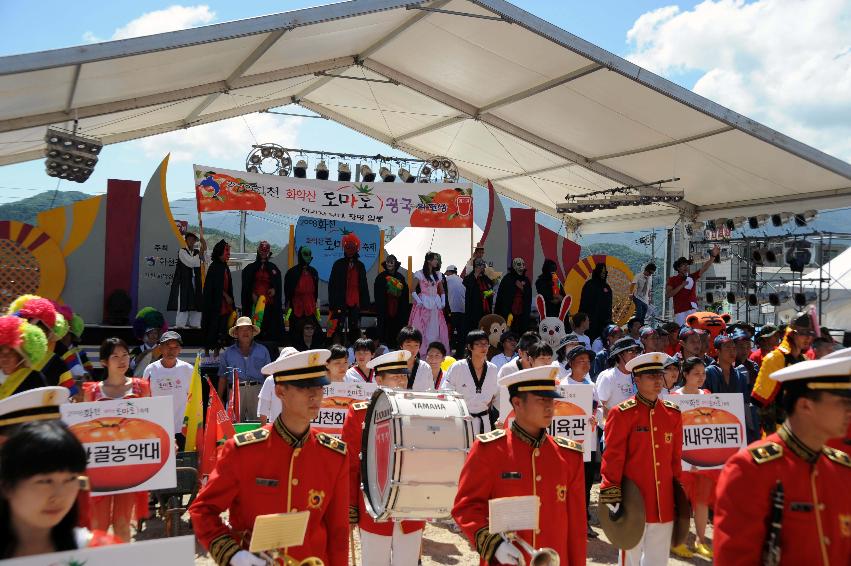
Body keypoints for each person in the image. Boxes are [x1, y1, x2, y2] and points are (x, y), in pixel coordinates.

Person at [189, 349, 349, 566]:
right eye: (304, 387)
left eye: (319, 386)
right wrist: (233, 555)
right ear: (280, 391)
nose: (315, 395)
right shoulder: (243, 451)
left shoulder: (334, 455)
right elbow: (203, 510)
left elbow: (338, 532)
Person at [713, 353, 851, 565]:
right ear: (806, 405)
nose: (849, 411)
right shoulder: (750, 469)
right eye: (842, 403)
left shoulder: (841, 468)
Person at [452, 365, 586, 565]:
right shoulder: (488, 450)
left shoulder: (569, 455)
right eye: (541, 400)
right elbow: (466, 507)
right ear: (517, 402)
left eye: (551, 399)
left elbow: (576, 528)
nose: (550, 406)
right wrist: (493, 544)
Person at [599, 352, 684, 566]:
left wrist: (679, 493)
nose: (658, 381)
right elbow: (613, 457)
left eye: (659, 375)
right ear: (636, 380)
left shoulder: (672, 413)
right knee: (630, 557)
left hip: (663, 499)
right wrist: (611, 493)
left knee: (658, 559)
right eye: (650, 376)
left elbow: (675, 459)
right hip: (632, 501)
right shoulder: (622, 413)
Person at [343, 351, 426, 565]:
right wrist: (351, 506)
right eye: (394, 376)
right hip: (373, 507)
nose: (401, 380)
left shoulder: (418, 409)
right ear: (378, 380)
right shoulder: (359, 413)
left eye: (404, 375)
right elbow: (351, 464)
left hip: (410, 507)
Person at [0, 420, 120, 558]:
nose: (59, 496)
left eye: (70, 480)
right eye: (44, 481)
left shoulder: (101, 551)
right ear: (7, 487)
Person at [83, 338, 151, 542]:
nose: (122, 361)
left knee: (122, 524)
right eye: (115, 356)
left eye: (125, 355)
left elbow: (151, 422)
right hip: (100, 467)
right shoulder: (92, 391)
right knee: (98, 525)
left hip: (128, 465)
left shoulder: (141, 388)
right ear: (104, 362)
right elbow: (84, 428)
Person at [669, 357, 716, 559]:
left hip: (703, 460)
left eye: (703, 373)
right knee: (680, 502)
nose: (701, 377)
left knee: (702, 501)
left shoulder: (708, 395)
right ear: (685, 375)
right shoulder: (673, 398)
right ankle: (677, 541)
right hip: (682, 460)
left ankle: (701, 541)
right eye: (696, 373)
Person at [752, 312, 816, 432]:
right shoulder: (774, 359)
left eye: (810, 333)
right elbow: (758, 401)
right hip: (778, 432)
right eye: (803, 333)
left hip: (801, 430)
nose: (808, 338)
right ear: (791, 334)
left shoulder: (805, 361)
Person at [563, 346, 602, 539]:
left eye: (588, 361)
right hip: (564, 445)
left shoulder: (592, 385)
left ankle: (582, 521)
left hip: (586, 444)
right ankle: (563, 521)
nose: (586, 365)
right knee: (564, 483)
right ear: (571, 364)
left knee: (585, 484)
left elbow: (599, 409)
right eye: (581, 361)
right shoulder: (560, 386)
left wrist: (596, 418)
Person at [8, 296, 77, 396]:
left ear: (49, 335)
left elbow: (69, 396)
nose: (37, 336)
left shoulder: (56, 362)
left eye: (43, 331)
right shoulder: (7, 358)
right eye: (32, 329)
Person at [441, 330, 499, 434]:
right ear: (470, 347)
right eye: (478, 344)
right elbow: (446, 391)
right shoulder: (458, 367)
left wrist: (502, 418)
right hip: (461, 419)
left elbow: (497, 396)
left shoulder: (493, 369)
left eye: (486, 344)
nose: (483, 347)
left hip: (484, 420)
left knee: (482, 449)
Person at [142, 331, 193, 450]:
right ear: (160, 348)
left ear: (180, 349)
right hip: (158, 428)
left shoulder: (188, 369)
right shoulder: (150, 369)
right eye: (167, 346)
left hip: (182, 429)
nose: (171, 351)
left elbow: (194, 399)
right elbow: (145, 398)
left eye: (175, 347)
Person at [217, 317, 271, 421]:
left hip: (257, 391)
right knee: (234, 425)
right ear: (236, 333)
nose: (245, 332)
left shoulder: (263, 350)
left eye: (248, 329)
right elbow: (222, 377)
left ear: (252, 332)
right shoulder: (228, 353)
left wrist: (270, 395)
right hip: (235, 391)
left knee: (259, 424)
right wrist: (219, 399)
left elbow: (268, 375)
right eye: (242, 329)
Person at [328, 231, 369, 343]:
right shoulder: (338, 264)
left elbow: (364, 285)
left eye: (352, 247)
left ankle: (354, 350)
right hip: (340, 300)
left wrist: (365, 303)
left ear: (356, 248)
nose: (350, 250)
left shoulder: (360, 265)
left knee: (354, 326)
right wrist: (332, 303)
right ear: (344, 248)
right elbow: (332, 285)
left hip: (355, 300)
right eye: (348, 247)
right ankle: (336, 350)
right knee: (337, 326)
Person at [241, 241, 284, 343]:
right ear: (258, 251)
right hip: (254, 305)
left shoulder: (274, 268)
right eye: (262, 250)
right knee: (255, 329)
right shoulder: (249, 268)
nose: (264, 253)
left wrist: (274, 290)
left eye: (266, 251)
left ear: (269, 252)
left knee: (269, 331)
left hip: (269, 304)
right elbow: (246, 286)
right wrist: (252, 293)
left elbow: (277, 285)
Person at [665, 246, 719, 326]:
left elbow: (704, 268)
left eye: (687, 265)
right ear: (678, 268)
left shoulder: (692, 277)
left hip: (692, 308)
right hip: (680, 310)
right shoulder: (672, 279)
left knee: (692, 330)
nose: (686, 267)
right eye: (683, 265)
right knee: (682, 331)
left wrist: (713, 257)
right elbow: (668, 295)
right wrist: (681, 285)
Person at [408, 252, 449, 356]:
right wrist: (419, 300)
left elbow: (442, 290)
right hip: (424, 304)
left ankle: (434, 350)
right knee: (422, 327)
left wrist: (443, 301)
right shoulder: (420, 273)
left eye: (437, 259)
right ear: (428, 261)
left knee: (435, 327)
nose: (436, 261)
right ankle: (422, 351)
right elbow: (412, 289)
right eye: (435, 259)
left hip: (435, 304)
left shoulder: (438, 275)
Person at [0, 315, 48, 398]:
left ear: (21, 357)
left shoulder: (33, 378)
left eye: (11, 352)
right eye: (0, 352)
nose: (4, 358)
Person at [201, 240, 235, 353]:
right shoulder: (214, 267)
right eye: (226, 251)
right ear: (220, 252)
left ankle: (216, 352)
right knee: (212, 328)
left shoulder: (225, 267)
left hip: (224, 306)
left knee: (222, 329)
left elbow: (227, 286)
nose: (228, 254)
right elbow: (214, 287)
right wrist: (226, 296)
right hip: (214, 305)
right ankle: (206, 353)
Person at [595, 337, 641, 419]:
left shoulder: (639, 375)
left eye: (636, 351)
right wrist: (618, 421)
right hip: (614, 428)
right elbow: (599, 406)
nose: (634, 354)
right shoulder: (608, 377)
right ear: (620, 354)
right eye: (630, 351)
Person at [167, 231, 205, 329]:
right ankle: (180, 325)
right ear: (186, 240)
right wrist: (201, 253)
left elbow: (205, 259)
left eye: (193, 239)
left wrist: (204, 246)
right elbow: (191, 262)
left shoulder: (197, 252)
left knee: (196, 301)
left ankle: (195, 324)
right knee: (183, 301)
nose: (191, 241)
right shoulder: (182, 251)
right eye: (189, 239)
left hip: (196, 281)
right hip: (184, 282)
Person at [373, 255, 410, 349]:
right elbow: (377, 293)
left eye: (391, 262)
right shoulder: (380, 277)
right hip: (385, 307)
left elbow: (405, 293)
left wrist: (397, 292)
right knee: (384, 326)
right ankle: (384, 346)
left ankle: (397, 345)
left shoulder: (400, 277)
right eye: (387, 262)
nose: (389, 264)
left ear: (395, 264)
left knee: (397, 326)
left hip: (398, 307)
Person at [283, 245, 320, 337]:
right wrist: (287, 308)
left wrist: (316, 308)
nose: (308, 256)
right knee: (296, 334)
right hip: (296, 309)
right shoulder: (292, 272)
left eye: (310, 254)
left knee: (314, 334)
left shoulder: (314, 272)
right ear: (300, 255)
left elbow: (315, 292)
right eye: (306, 254)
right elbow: (287, 293)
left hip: (310, 309)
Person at [257, 347, 297, 426]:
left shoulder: (302, 380)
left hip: (297, 427)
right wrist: (264, 429)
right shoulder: (270, 380)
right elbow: (263, 408)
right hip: (276, 426)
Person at [495, 257, 532, 334]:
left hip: (522, 314)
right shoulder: (507, 279)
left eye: (523, 264)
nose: (521, 266)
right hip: (508, 313)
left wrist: (522, 288)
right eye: (519, 264)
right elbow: (501, 297)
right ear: (514, 266)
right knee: (508, 334)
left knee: (521, 333)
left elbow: (528, 297)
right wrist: (497, 314)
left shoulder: (526, 280)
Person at [579, 263, 614, 343]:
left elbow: (609, 305)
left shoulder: (607, 287)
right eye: (601, 272)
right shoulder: (589, 285)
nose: (603, 274)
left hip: (604, 321)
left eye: (604, 273)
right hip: (591, 321)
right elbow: (584, 304)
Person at [130, 307, 167, 376]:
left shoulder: (163, 350)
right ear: (144, 335)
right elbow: (131, 366)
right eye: (150, 333)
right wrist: (142, 355)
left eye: (155, 333)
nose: (153, 336)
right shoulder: (137, 350)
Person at [396, 326, 435, 391]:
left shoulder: (425, 367)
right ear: (401, 345)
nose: (412, 349)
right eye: (408, 345)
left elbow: (430, 391)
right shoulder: (392, 365)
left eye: (416, 345)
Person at [463, 258, 494, 332]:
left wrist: (490, 293)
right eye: (481, 266)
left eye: (483, 267)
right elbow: (468, 289)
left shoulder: (485, 278)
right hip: (474, 310)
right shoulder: (468, 278)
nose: (483, 268)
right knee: (475, 329)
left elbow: (490, 287)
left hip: (485, 308)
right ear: (476, 267)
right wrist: (475, 275)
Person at [444, 264, 466, 358]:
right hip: (463, 311)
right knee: (461, 334)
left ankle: (448, 354)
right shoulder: (462, 280)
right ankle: (460, 354)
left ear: (449, 272)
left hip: (452, 310)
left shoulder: (447, 279)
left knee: (449, 332)